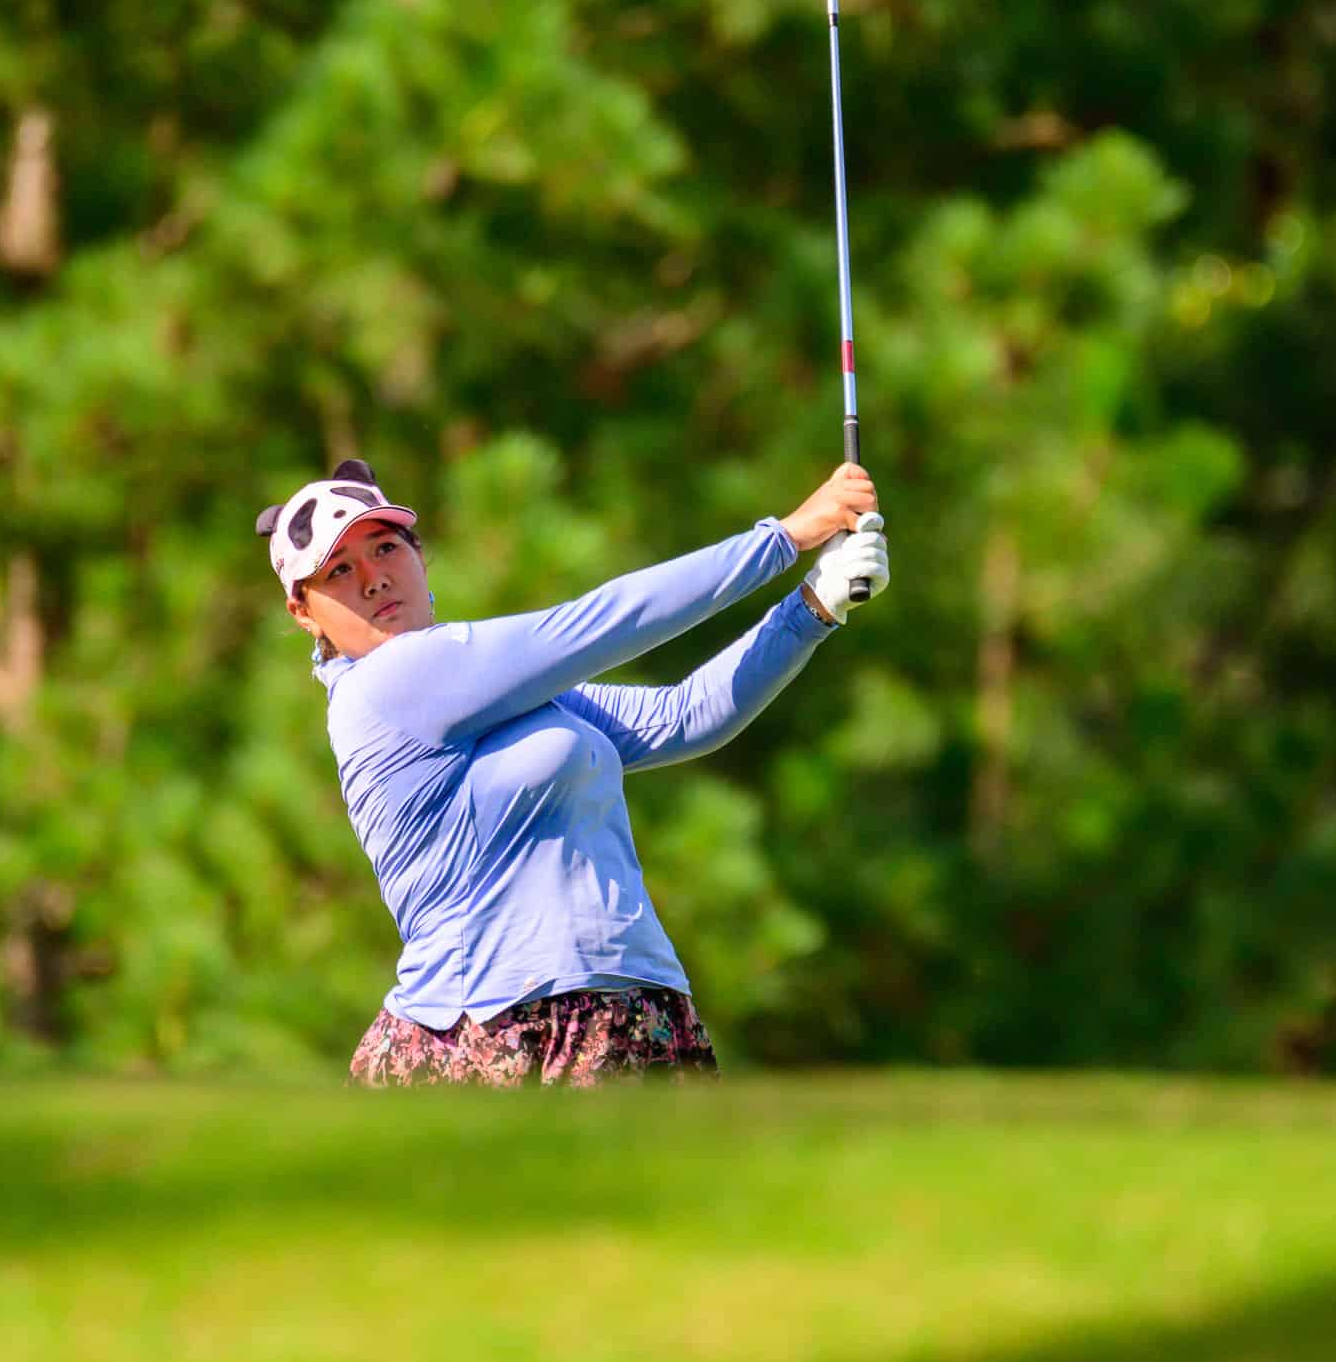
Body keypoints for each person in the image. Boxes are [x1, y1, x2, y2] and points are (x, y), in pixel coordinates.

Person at [257, 457, 890, 1086]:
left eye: (386, 548)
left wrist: (813, 606)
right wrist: (783, 538)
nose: (373, 579)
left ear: (421, 557)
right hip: (491, 1027)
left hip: (633, 1005)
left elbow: (686, 715)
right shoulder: (386, 686)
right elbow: (596, 624)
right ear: (304, 613)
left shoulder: (510, 694)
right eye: (339, 571)